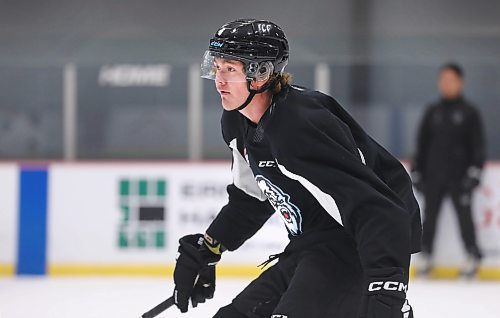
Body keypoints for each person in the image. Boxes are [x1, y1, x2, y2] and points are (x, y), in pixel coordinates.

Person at [172, 19, 422, 318]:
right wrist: (209, 246)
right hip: (314, 246)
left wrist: (386, 287)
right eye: (217, 67)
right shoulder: (237, 121)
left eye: (230, 69)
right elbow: (253, 197)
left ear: (260, 74)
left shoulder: (299, 125)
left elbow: (378, 208)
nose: (219, 80)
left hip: (355, 249)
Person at [412, 63, 486, 278]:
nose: (446, 84)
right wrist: (417, 170)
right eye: (443, 79)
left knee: (464, 217)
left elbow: (477, 145)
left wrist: (474, 172)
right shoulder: (432, 111)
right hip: (434, 175)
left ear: (460, 82)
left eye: (451, 80)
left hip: (460, 176)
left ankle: (472, 255)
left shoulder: (469, 113)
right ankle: (425, 255)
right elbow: (422, 143)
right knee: (429, 216)